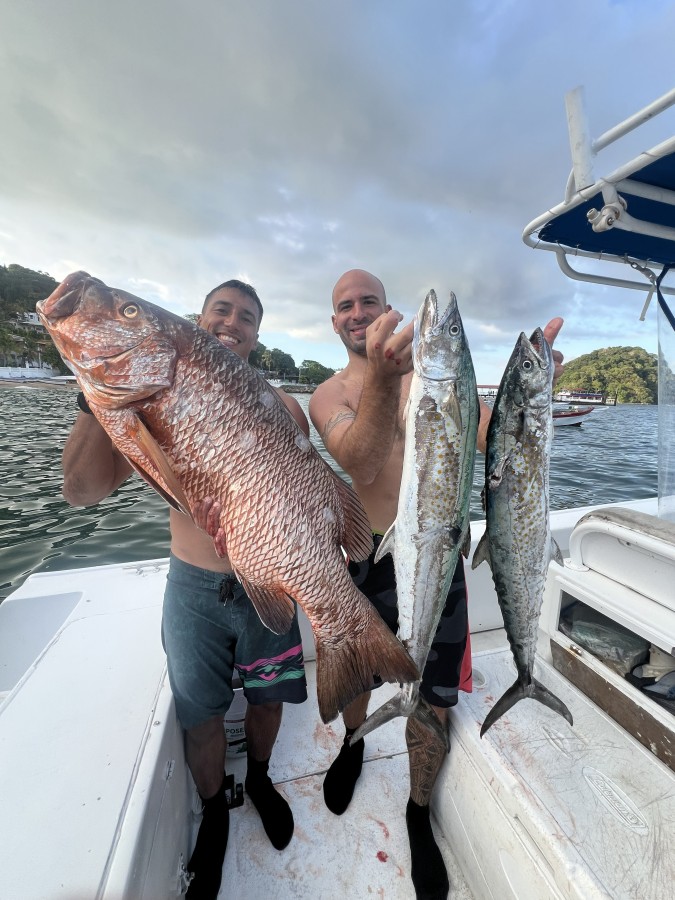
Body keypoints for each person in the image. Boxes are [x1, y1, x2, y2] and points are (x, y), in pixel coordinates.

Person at [308, 269, 564, 900]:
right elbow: (362, 459)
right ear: (334, 321)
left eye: (369, 301)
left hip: (442, 554)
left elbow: (495, 439)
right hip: (366, 554)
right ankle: (353, 745)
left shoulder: (440, 383)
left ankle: (418, 810)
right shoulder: (328, 394)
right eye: (346, 305)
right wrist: (386, 380)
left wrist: (531, 395)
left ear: (389, 310)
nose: (358, 311)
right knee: (358, 678)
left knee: (437, 695)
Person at [61, 279, 310, 900]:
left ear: (257, 336)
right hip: (192, 588)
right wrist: (95, 390)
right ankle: (215, 810)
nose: (232, 322)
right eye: (221, 310)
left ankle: (260, 779)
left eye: (247, 317)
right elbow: (82, 491)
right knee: (200, 714)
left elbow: (301, 501)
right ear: (198, 320)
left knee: (269, 700)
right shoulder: (155, 398)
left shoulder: (285, 406)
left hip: (267, 583)